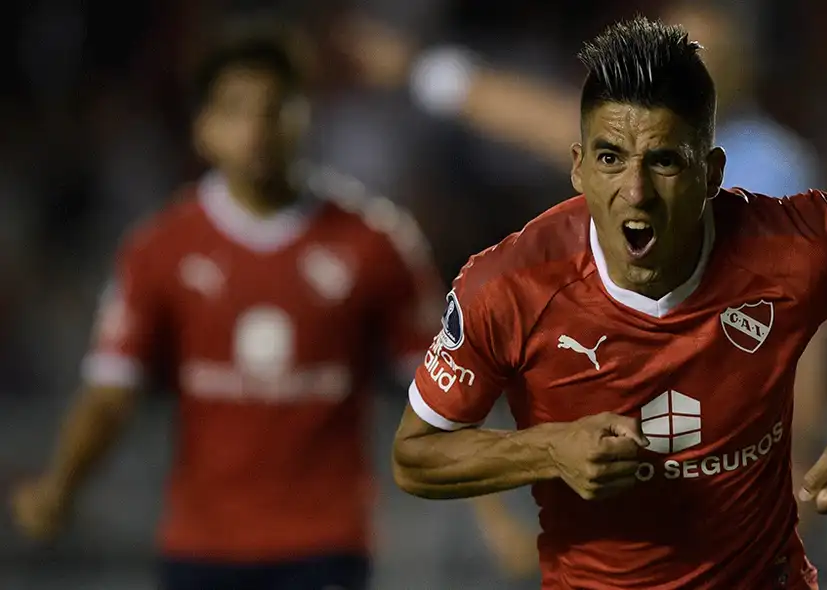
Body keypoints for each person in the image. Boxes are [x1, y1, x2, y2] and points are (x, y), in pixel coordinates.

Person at [391, 16, 827, 590]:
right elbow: (415, 455)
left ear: (711, 173)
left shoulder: (793, 242)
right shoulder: (508, 286)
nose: (635, 192)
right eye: (610, 159)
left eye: (663, 160)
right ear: (578, 167)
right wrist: (548, 450)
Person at [10, 25, 531, 590]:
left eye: (273, 108)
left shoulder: (375, 245)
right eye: (235, 110)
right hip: (201, 545)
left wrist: (497, 517)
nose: (255, 129)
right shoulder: (159, 250)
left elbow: (444, 389)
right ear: (203, 128)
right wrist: (60, 487)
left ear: (304, 117)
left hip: (324, 542)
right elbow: (111, 393)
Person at [341, 3, 827, 509]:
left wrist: (799, 451)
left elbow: (810, 318)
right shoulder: (640, 135)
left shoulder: (773, 168)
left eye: (702, 55)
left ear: (741, 68)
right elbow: (545, 120)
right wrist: (427, 73)